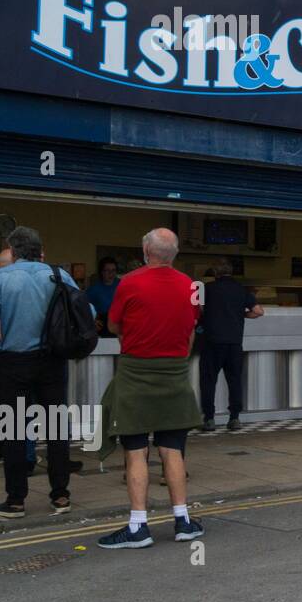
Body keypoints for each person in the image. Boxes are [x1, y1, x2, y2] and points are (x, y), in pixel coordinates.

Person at [96, 228, 205, 549]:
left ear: (146, 249)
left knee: (136, 450)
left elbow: (114, 324)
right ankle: (183, 521)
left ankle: (138, 527)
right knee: (173, 449)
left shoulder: (129, 283)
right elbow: (190, 327)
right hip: (174, 373)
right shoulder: (191, 286)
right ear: (174, 254)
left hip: (136, 372)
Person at [0, 227, 77, 519]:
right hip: (53, 362)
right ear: (38, 249)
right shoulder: (59, 276)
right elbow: (87, 313)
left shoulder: (2, 278)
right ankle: (60, 496)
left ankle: (16, 500)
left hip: (13, 363)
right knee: (57, 431)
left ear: (14, 250)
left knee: (14, 432)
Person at [198, 261, 264, 431]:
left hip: (212, 342)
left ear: (215, 273)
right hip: (234, 343)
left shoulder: (206, 288)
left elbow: (196, 309)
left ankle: (209, 419)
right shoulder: (241, 289)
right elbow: (259, 311)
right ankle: (234, 418)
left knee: (208, 380)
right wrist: (241, 314)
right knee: (234, 380)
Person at [85, 257, 121, 337]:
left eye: (113, 270)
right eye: (107, 270)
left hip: (121, 325)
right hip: (104, 328)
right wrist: (93, 321)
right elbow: (83, 309)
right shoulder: (93, 290)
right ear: (101, 272)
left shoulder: (123, 285)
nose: (111, 273)